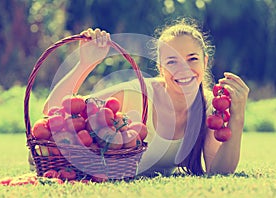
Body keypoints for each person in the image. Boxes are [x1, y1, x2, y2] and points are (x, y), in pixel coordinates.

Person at [40, 18, 249, 176]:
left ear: (205, 61)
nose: (183, 69)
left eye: (192, 59)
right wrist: (85, 63)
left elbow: (217, 171)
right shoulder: (136, 95)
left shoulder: (209, 109)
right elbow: (53, 110)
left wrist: (237, 118)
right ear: (159, 67)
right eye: (172, 61)